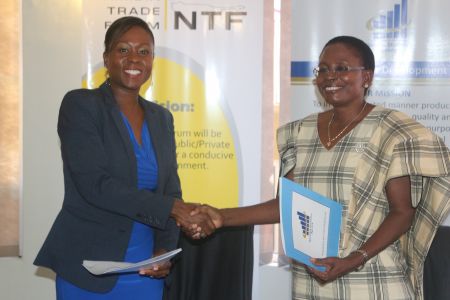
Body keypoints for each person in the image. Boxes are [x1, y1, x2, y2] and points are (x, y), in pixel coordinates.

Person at [197, 36, 450, 299]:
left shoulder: (390, 130)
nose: (330, 76)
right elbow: (286, 206)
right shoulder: (301, 131)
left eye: (342, 68)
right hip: (315, 280)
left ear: (367, 77)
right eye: (323, 69)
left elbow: (402, 212)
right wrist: (222, 217)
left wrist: (354, 259)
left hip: (373, 280)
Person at [34, 16, 215, 300]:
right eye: (123, 50)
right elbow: (95, 185)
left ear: (152, 61)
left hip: (144, 271)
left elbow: (171, 189)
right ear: (106, 58)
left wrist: (163, 251)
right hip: (89, 269)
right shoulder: (80, 105)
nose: (134, 58)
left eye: (144, 52)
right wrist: (172, 207)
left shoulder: (161, 118)